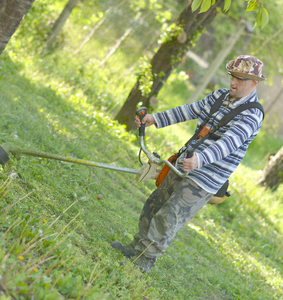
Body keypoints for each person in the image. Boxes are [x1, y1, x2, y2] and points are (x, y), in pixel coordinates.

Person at [111, 55, 266, 273]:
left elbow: (229, 143)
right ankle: (136, 248)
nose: (233, 82)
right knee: (154, 205)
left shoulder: (252, 114)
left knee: (169, 216)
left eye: (240, 79)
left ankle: (143, 263)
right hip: (184, 163)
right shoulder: (220, 95)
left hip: (206, 177)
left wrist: (200, 159)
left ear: (254, 83)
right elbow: (189, 111)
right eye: (233, 76)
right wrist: (155, 119)